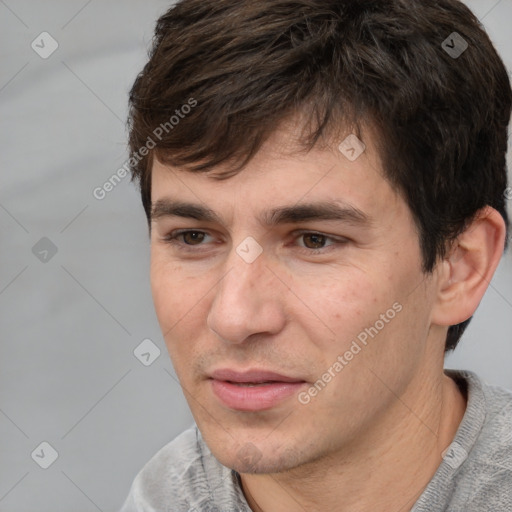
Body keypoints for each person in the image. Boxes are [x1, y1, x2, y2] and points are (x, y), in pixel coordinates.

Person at [121, 0, 512, 510]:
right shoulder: (162, 497)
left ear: (460, 267)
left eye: (314, 240)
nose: (233, 317)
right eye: (194, 237)